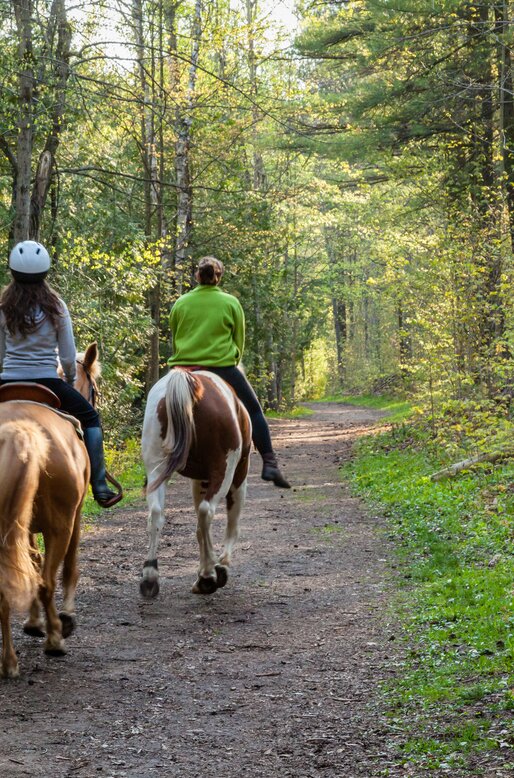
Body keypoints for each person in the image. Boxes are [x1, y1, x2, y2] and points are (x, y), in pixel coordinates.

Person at [0, 240, 122, 508]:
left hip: (8, 380)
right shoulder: (56, 306)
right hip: (48, 380)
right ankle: (100, 487)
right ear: (45, 273)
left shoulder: (3, 307)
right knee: (91, 417)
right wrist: (67, 379)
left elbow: (0, 354)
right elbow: (68, 357)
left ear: (13, 272)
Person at [168, 255, 290, 488]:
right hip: (222, 367)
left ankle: (152, 465)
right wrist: (232, 360)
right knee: (254, 409)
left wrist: (184, 360)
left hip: (184, 367)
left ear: (197, 276)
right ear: (219, 277)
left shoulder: (181, 303)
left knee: (157, 407)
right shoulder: (231, 303)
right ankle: (270, 463)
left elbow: (176, 338)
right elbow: (239, 342)